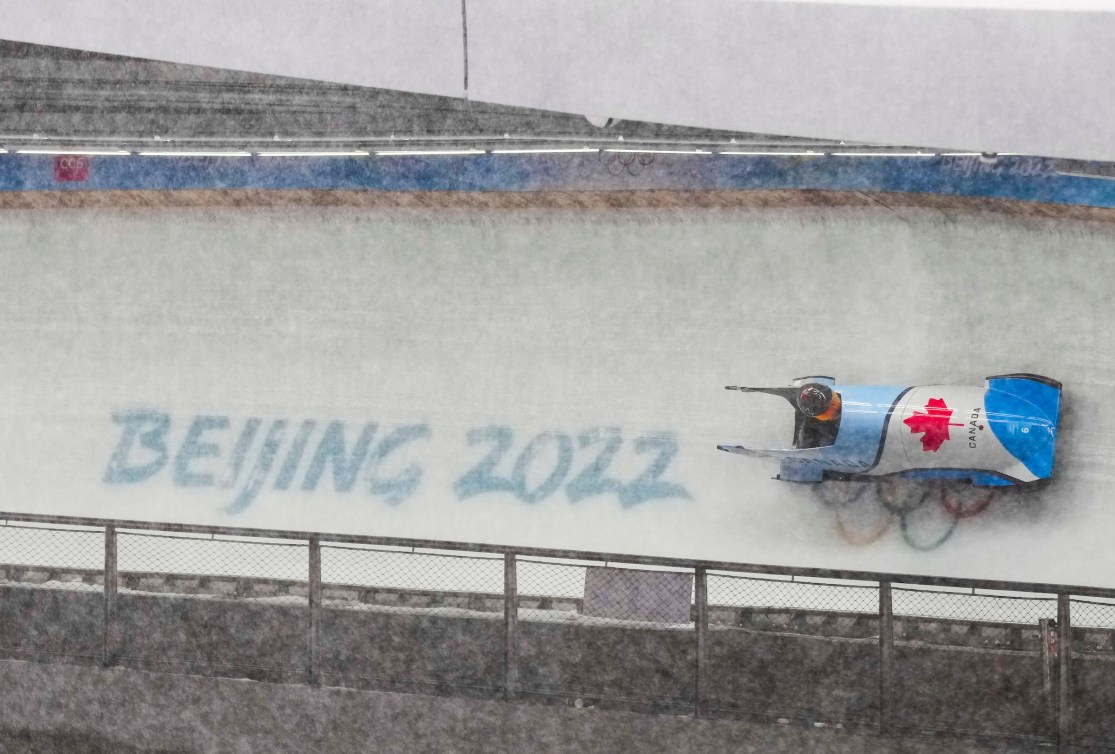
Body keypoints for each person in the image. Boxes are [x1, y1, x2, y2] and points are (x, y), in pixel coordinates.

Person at [795, 383, 842, 448]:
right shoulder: (809, 434)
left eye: (833, 403)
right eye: (829, 409)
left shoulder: (846, 399)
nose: (834, 408)